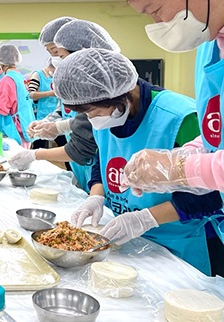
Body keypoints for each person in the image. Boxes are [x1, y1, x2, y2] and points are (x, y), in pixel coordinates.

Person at [54, 48, 223, 276]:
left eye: (93, 112)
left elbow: (211, 195)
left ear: (119, 94)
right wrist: (96, 195)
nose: (93, 121)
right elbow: (102, 160)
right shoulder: (107, 114)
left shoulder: (180, 117)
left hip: (178, 246)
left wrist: (146, 218)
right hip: (128, 242)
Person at [123, 0, 224, 196]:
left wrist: (179, 169)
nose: (158, 22)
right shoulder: (209, 44)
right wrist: (174, 160)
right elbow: (215, 135)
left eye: (155, 10)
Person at [11, 19, 120, 191]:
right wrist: (49, 122)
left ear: (82, 50)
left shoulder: (103, 87)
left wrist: (35, 154)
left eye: (58, 54)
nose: (55, 61)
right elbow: (63, 109)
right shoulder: (73, 82)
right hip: (83, 168)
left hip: (104, 167)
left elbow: (81, 145)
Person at [0, 45, 35, 148]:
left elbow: (2, 109)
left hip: (16, 129)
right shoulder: (19, 76)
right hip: (25, 125)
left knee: (15, 160)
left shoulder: (7, 80)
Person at [28, 56, 62, 149]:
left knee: (63, 143)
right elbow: (30, 94)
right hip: (42, 115)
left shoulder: (57, 76)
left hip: (59, 115)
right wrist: (50, 93)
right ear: (51, 66)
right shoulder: (38, 75)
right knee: (40, 145)